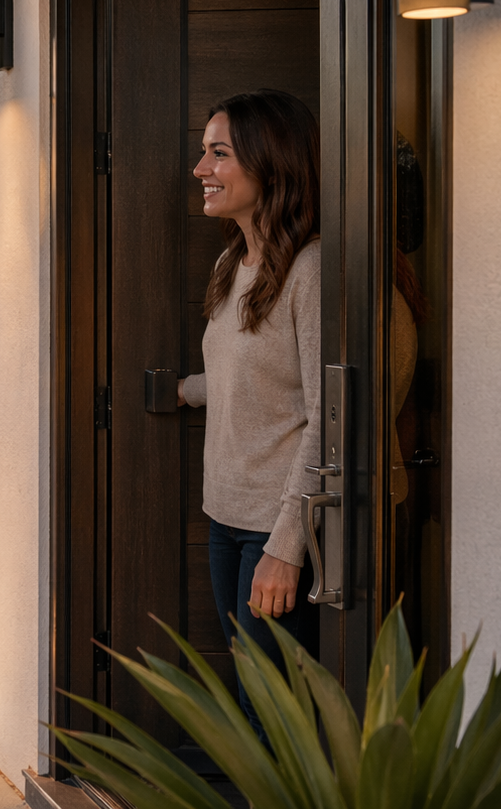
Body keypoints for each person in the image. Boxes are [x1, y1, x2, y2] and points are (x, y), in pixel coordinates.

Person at [179, 89, 323, 736]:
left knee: (275, 720)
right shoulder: (231, 264)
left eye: (218, 153)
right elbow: (254, 376)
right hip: (224, 516)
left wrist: (288, 547)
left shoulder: (311, 271)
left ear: (271, 164)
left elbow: (327, 416)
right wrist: (187, 389)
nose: (200, 168)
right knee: (249, 704)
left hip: (276, 526)